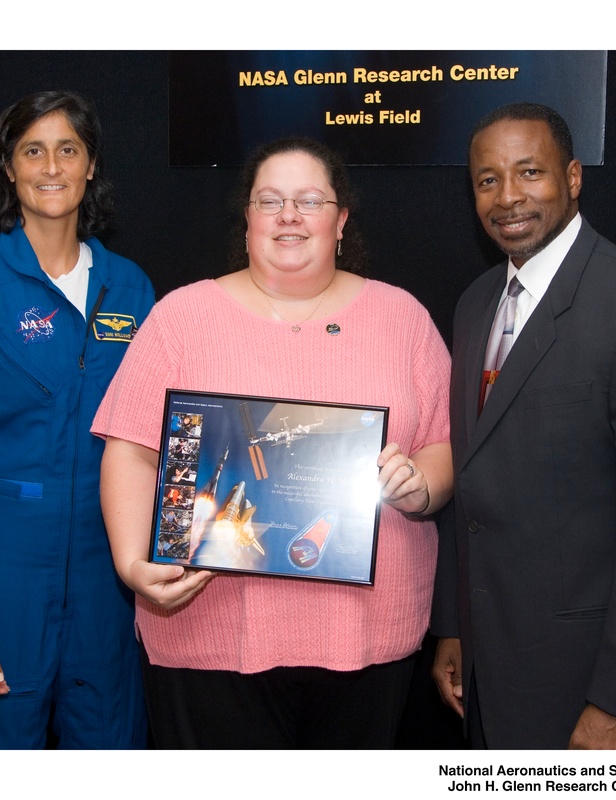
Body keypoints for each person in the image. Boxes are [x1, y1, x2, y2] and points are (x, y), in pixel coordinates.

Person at [92, 135, 453, 748]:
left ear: (340, 221)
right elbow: (129, 447)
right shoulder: (182, 317)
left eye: (310, 200)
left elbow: (441, 447)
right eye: (271, 200)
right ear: (249, 217)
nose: (290, 215)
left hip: (367, 634)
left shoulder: (403, 319)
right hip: (205, 627)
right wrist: (132, 563)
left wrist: (418, 488)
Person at [431, 102, 616, 749]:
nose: (508, 197)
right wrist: (453, 624)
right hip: (489, 670)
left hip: (592, 686)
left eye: (529, 172)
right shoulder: (476, 305)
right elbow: (473, 477)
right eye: (487, 180)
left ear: (575, 177)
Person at [0, 90, 154, 749]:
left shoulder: (131, 288)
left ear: (91, 165)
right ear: (9, 169)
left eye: (68, 150)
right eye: (33, 151)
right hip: (3, 565)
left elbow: (152, 435)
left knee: (109, 742)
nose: (52, 167)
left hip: (108, 563)